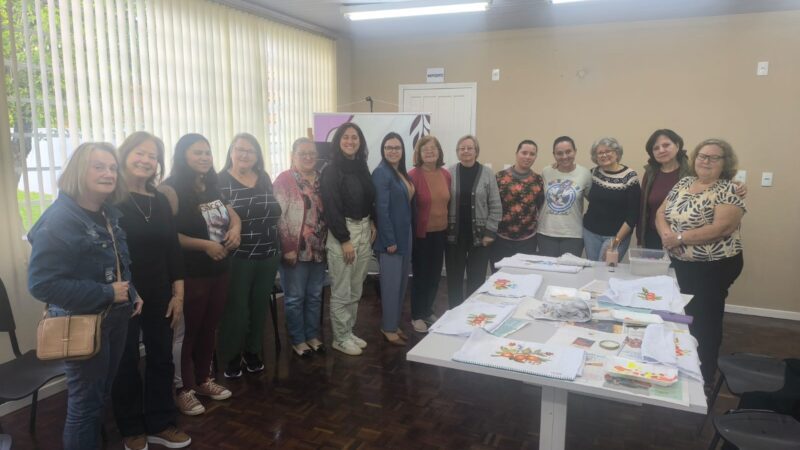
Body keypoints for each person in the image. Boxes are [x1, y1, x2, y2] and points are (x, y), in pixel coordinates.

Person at [28, 142, 142, 450]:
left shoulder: (107, 212)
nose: (109, 173)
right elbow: (42, 284)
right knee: (85, 407)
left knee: (100, 397)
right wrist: (107, 292)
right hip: (82, 321)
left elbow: (115, 262)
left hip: (115, 316)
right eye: (99, 167)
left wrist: (131, 290)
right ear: (79, 171)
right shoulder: (60, 219)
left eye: (113, 168)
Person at [111, 132, 191, 450]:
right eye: (140, 153)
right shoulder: (110, 198)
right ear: (125, 154)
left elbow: (173, 250)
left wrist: (178, 295)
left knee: (161, 357)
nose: (146, 160)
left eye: (153, 156)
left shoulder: (159, 200)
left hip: (160, 293)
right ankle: (131, 428)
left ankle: (161, 423)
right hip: (123, 296)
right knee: (126, 361)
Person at [158, 133, 241, 415]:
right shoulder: (170, 190)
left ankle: (204, 379)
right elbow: (168, 235)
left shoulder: (211, 185)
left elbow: (232, 214)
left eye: (207, 152)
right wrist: (205, 245)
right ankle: (183, 389)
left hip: (219, 270)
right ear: (183, 155)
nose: (204, 157)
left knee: (209, 327)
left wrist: (236, 229)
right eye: (197, 152)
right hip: (190, 274)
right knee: (187, 333)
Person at [656, 138, 746, 385]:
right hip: (681, 263)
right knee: (682, 314)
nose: (706, 161)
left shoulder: (729, 189)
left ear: (725, 163)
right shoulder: (684, 183)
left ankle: (703, 375)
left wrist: (679, 238)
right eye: (702, 156)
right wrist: (667, 235)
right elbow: (661, 212)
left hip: (713, 266)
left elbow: (722, 228)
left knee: (705, 320)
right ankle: (681, 360)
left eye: (714, 157)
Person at [216, 133, 281, 378]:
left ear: (257, 156)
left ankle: (253, 351)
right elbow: (216, 222)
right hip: (239, 256)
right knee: (237, 309)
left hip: (269, 254)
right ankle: (232, 356)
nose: (244, 154)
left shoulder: (263, 177)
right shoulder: (219, 181)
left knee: (258, 307)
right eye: (239, 149)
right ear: (231, 152)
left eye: (250, 150)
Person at [320, 123, 377, 356]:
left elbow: (368, 198)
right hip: (343, 233)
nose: (350, 141)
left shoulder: (362, 166)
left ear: (360, 142)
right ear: (338, 141)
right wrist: (344, 240)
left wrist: (372, 221)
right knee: (342, 290)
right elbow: (331, 208)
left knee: (356, 288)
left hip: (364, 229)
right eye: (346, 137)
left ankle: (348, 330)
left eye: (355, 137)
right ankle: (340, 338)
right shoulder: (331, 170)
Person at [274, 138, 328, 357]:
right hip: (295, 249)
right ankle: (298, 340)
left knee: (315, 295)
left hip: (319, 249)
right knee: (295, 298)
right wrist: (287, 247)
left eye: (312, 153)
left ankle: (312, 335)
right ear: (292, 155)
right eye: (302, 153)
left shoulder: (322, 179)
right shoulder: (284, 180)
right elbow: (278, 218)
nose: (308, 157)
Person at [445, 135, 501, 308]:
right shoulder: (449, 173)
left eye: (470, 148)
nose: (466, 151)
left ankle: (472, 312)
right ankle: (454, 312)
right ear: (457, 152)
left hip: (480, 237)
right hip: (454, 236)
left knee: (476, 279)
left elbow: (496, 205)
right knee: (454, 278)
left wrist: (490, 232)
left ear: (476, 151)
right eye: (462, 148)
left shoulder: (487, 173)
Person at [372, 132, 415, 345]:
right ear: (383, 150)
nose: (392, 151)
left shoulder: (400, 172)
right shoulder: (381, 173)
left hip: (405, 235)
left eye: (397, 147)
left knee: (401, 284)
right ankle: (388, 327)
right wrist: (389, 240)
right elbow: (381, 210)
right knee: (390, 286)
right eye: (388, 147)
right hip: (391, 239)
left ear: (402, 150)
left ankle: (394, 323)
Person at [408, 136, 451, 333]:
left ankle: (427, 310)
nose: (430, 152)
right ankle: (417, 314)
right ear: (419, 153)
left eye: (433, 148)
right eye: (425, 149)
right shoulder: (413, 176)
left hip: (441, 233)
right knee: (421, 276)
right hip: (421, 235)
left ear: (439, 152)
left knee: (434, 275)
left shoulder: (445, 174)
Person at [582, 137, 641, 261]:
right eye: (600, 152)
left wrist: (616, 241)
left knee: (606, 269)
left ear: (617, 153)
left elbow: (633, 215)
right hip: (590, 233)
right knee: (592, 268)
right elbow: (589, 195)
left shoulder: (630, 176)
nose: (604, 155)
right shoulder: (593, 173)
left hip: (616, 235)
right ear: (595, 157)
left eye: (608, 151)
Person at [490, 139, 544, 269]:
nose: (528, 157)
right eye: (524, 153)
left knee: (523, 277)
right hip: (501, 239)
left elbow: (539, 205)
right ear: (516, 154)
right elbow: (492, 206)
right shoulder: (500, 177)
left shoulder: (538, 180)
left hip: (528, 241)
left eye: (532, 154)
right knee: (500, 277)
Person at [537, 136, 592, 257]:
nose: (564, 156)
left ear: (575, 151)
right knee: (547, 268)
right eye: (559, 153)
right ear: (554, 155)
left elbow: (594, 201)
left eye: (568, 151)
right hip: (546, 233)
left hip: (573, 235)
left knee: (569, 268)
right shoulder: (546, 171)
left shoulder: (585, 173)